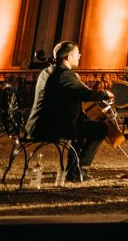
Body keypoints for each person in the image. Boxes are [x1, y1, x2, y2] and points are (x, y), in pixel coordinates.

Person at [24, 41, 113, 182]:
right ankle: (79, 170)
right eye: (77, 54)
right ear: (68, 58)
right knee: (101, 128)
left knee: (79, 125)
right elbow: (87, 95)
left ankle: (73, 170)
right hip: (51, 128)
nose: (80, 56)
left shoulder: (47, 71)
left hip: (37, 125)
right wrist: (105, 94)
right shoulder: (64, 75)